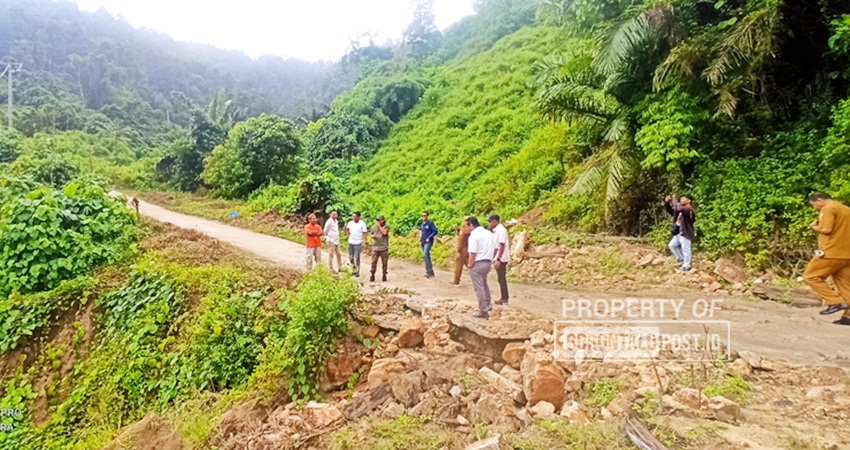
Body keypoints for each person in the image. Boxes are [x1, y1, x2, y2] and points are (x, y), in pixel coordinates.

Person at [803, 192, 850, 325]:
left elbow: (826, 229)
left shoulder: (828, 208)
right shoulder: (846, 209)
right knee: (845, 285)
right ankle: (848, 316)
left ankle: (835, 302)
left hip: (831, 252)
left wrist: (814, 227)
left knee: (811, 276)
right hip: (847, 253)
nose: (814, 207)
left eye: (813, 204)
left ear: (819, 200)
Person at [466, 216, 497, 319]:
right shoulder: (489, 233)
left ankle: (483, 310)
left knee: (479, 287)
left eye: (467, 226)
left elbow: (473, 253)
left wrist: (470, 265)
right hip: (487, 262)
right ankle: (488, 304)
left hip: (477, 263)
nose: (466, 228)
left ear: (471, 225)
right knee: (484, 284)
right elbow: (495, 248)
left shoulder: (474, 236)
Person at [666, 194, 695, 272]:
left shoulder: (689, 210)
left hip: (685, 232)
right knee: (672, 245)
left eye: (683, 199)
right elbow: (671, 211)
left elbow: (678, 207)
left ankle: (686, 266)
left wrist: (674, 199)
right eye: (681, 199)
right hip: (679, 232)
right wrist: (667, 203)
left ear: (689, 201)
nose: (681, 200)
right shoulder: (681, 210)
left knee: (686, 249)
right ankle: (680, 259)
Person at [489, 214, 511, 306]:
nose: (489, 224)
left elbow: (501, 245)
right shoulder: (497, 230)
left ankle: (505, 299)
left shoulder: (501, 230)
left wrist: (498, 259)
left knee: (502, 278)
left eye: (490, 222)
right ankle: (503, 298)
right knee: (500, 278)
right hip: (499, 257)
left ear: (494, 221)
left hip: (501, 258)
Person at [345, 211, 369, 277]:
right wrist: (346, 230)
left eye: (355, 216)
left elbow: (364, 233)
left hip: (358, 242)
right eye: (353, 216)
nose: (353, 218)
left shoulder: (362, 224)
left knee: (357, 257)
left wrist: (366, 241)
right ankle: (353, 269)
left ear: (359, 217)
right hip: (351, 241)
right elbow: (347, 230)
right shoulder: (350, 223)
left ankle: (357, 271)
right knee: (351, 257)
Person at [370, 215, 390, 282]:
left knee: (384, 263)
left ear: (383, 220)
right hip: (375, 247)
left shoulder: (386, 226)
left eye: (379, 220)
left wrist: (379, 226)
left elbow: (384, 233)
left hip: (384, 248)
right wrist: (373, 236)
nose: (378, 221)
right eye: (377, 220)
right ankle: (372, 274)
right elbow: (371, 234)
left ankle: (384, 274)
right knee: (373, 262)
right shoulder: (373, 227)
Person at [451, 217, 471, 285]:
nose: (463, 222)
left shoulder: (467, 230)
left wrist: (458, 250)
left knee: (459, 266)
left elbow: (461, 241)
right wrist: (458, 229)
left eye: (465, 220)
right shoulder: (465, 229)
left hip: (463, 251)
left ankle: (456, 280)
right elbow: (462, 234)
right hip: (464, 250)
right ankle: (456, 280)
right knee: (468, 266)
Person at [420, 211, 439, 278]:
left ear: (427, 216)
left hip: (428, 242)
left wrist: (429, 237)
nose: (423, 217)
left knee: (426, 254)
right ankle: (429, 271)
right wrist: (420, 241)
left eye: (424, 215)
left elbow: (435, 231)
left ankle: (430, 271)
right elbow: (422, 233)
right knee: (426, 256)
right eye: (422, 216)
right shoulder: (422, 224)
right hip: (423, 242)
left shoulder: (430, 223)